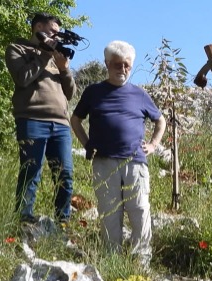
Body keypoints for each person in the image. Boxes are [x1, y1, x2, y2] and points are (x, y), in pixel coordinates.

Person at [70, 40, 165, 265]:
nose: (122, 69)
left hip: (135, 161)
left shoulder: (139, 94)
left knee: (139, 209)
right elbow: (75, 120)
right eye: (117, 64)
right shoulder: (93, 92)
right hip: (103, 161)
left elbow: (160, 121)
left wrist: (152, 145)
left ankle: (140, 259)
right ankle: (111, 259)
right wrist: (86, 144)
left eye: (127, 65)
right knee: (109, 210)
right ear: (107, 64)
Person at [5, 12, 76, 224]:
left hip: (61, 124)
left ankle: (63, 221)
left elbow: (70, 93)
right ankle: (24, 219)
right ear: (38, 27)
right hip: (32, 119)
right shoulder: (17, 49)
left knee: (65, 175)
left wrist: (64, 69)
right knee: (31, 172)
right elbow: (23, 78)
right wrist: (44, 54)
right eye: (53, 32)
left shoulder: (57, 57)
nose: (57, 37)